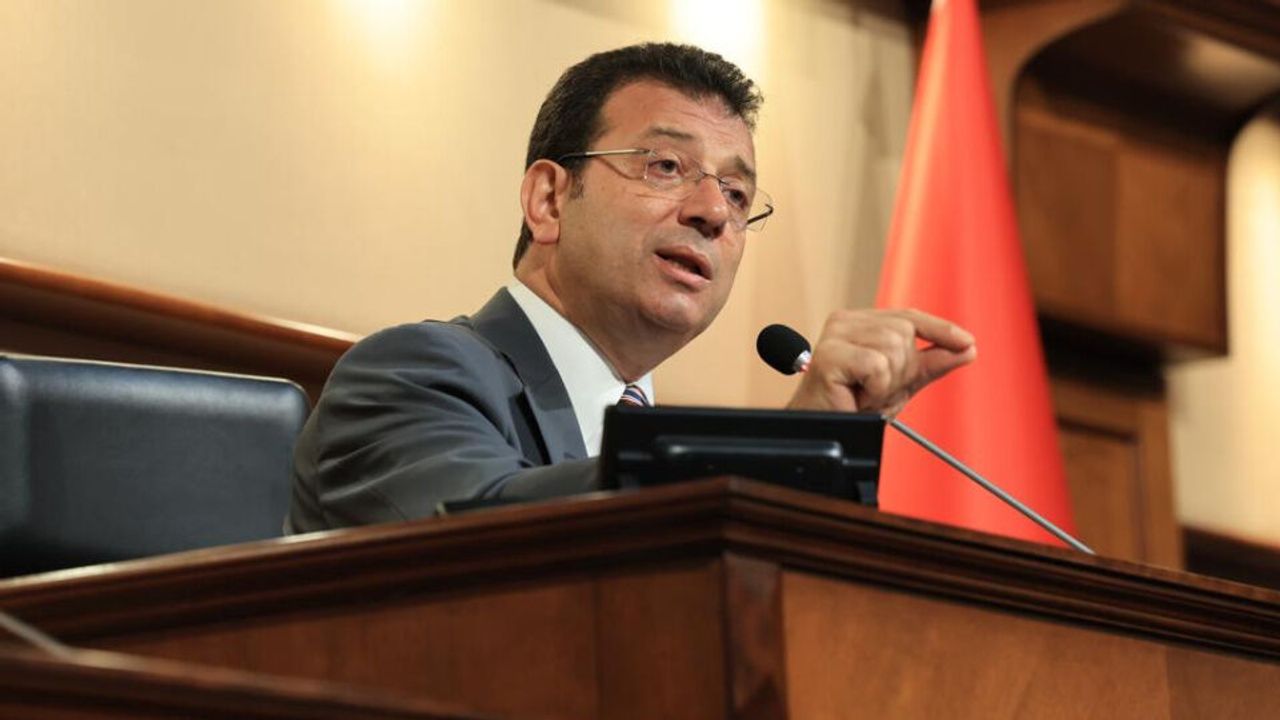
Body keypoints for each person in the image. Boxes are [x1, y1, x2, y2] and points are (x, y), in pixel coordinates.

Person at [286, 43, 976, 533]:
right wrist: (790, 447)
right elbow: (486, 541)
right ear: (550, 200)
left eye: (738, 194)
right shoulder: (410, 374)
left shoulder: (653, 428)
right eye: (666, 166)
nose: (713, 211)